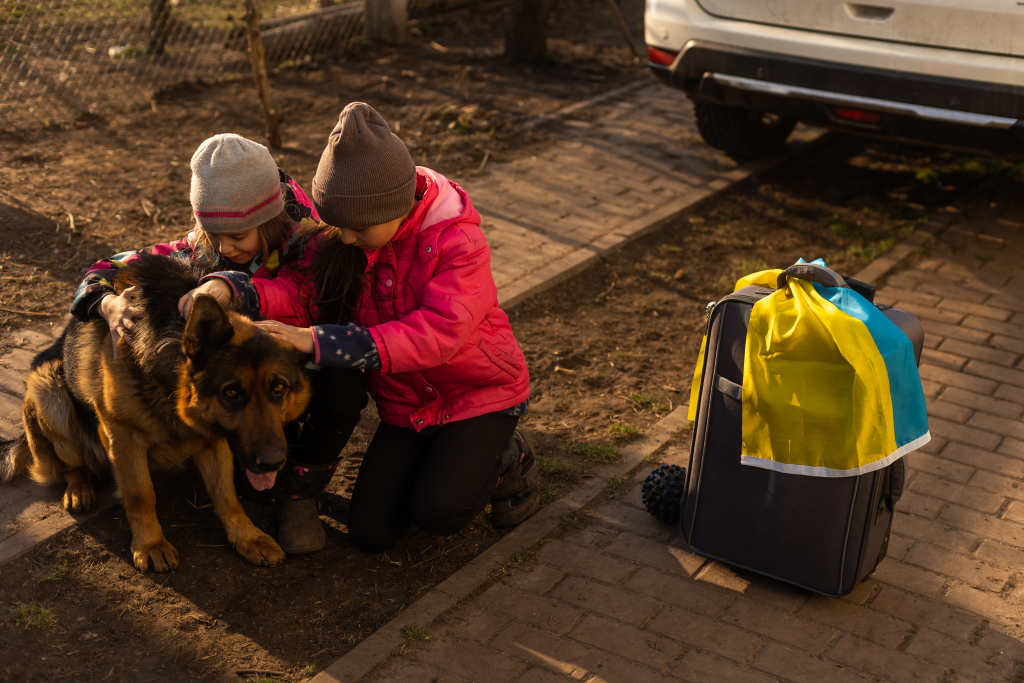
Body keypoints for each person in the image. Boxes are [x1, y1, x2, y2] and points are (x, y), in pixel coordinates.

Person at [253, 102, 538, 553]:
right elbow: (303, 291)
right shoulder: (352, 235)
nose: (344, 237)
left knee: (438, 514)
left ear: (395, 206)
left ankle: (507, 457)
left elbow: (437, 335)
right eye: (338, 225)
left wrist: (318, 341)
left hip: (477, 395)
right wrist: (239, 293)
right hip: (409, 404)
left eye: (356, 227)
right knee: (371, 532)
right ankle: (447, 460)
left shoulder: (457, 242)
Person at [70, 133, 368, 555]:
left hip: (307, 365)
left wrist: (231, 286)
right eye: (214, 233)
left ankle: (301, 494)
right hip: (245, 391)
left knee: (345, 386)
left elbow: (306, 296)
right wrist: (107, 302)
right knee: (250, 462)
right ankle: (264, 485)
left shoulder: (313, 242)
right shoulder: (201, 248)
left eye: (238, 236)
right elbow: (107, 267)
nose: (225, 247)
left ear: (268, 220)